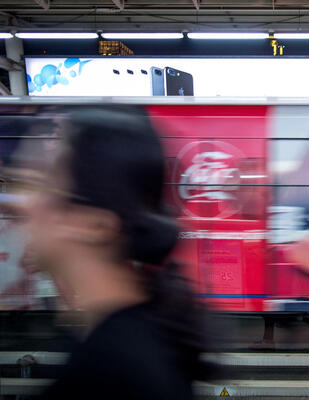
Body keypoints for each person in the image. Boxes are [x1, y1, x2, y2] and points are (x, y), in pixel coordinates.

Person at [17, 107, 206, 400]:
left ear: (95, 224)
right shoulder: (138, 340)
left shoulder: (114, 367)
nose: (27, 205)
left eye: (46, 184)